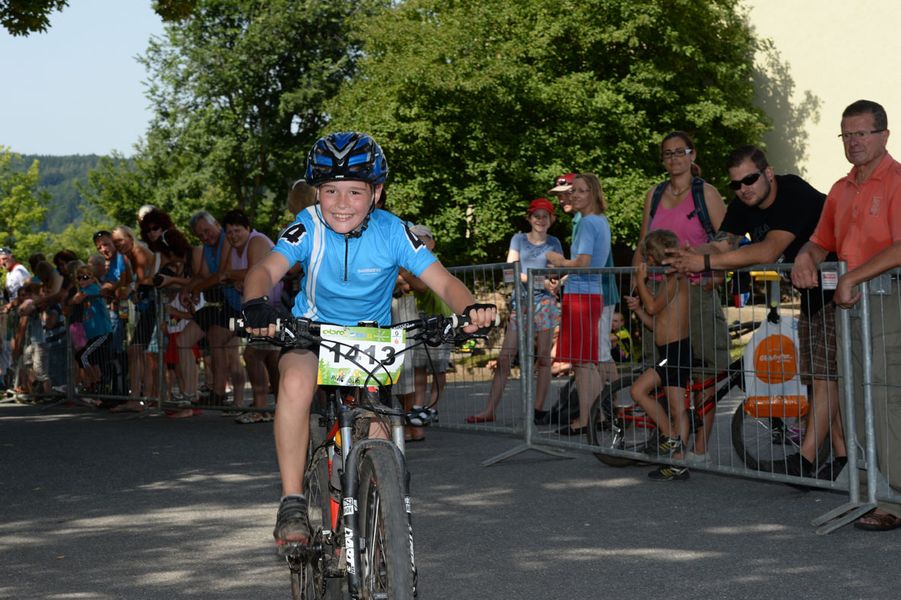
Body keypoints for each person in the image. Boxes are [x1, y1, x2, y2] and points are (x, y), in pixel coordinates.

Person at [240, 131, 496, 553]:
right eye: (330, 191)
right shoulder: (308, 225)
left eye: (355, 192)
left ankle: (371, 530)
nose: (341, 203)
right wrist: (255, 305)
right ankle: (292, 501)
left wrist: (472, 310)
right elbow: (266, 269)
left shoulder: (394, 231)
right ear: (317, 193)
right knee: (295, 382)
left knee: (378, 432)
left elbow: (444, 281)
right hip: (312, 333)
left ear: (376, 193)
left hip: (369, 342)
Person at [666, 144, 846, 476]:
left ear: (768, 173)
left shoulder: (793, 192)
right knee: (819, 378)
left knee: (825, 377)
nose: (743, 189)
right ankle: (842, 457)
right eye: (735, 184)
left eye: (750, 179)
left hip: (843, 287)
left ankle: (806, 460)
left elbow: (768, 250)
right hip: (812, 293)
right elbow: (723, 242)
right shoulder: (742, 204)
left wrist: (705, 262)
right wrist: (691, 254)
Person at [792, 99, 901, 532]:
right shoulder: (840, 188)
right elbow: (821, 241)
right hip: (851, 304)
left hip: (887, 301)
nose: (853, 141)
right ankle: (868, 492)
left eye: (862, 133)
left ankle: (894, 499)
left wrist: (853, 277)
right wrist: (805, 256)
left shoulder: (896, 181)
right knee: (854, 398)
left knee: (884, 399)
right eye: (847, 134)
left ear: (884, 136)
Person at [633, 131, 730, 457]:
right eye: (668, 153)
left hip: (696, 292)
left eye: (680, 152)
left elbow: (727, 239)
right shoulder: (655, 194)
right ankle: (674, 441)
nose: (674, 158)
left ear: (692, 154)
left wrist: (713, 270)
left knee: (703, 371)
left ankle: (699, 450)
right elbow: (643, 242)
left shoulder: (706, 193)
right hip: (658, 290)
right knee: (665, 369)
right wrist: (635, 281)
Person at [466, 198, 563, 425]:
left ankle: (537, 410)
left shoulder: (554, 242)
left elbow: (556, 272)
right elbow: (511, 271)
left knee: (544, 358)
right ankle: (489, 409)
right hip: (522, 303)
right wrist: (539, 281)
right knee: (505, 357)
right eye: (536, 216)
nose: (540, 220)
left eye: (545, 216)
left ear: (551, 219)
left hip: (545, 303)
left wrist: (556, 281)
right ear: (529, 218)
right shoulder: (518, 239)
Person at [545, 172, 611, 435]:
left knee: (583, 363)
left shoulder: (587, 222)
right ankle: (598, 415)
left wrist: (557, 260)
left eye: (582, 190)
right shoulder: (600, 221)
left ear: (594, 193)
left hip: (582, 296)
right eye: (574, 191)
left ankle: (586, 419)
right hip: (591, 294)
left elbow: (583, 263)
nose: (575, 195)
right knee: (587, 362)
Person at [626, 229, 692, 480]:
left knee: (656, 399)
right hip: (669, 350)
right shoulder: (670, 279)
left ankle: (673, 444)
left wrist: (640, 281)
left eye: (648, 258)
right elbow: (656, 323)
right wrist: (638, 310)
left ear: (654, 257)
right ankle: (675, 453)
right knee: (669, 405)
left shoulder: (675, 278)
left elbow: (654, 307)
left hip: (675, 351)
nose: (646, 262)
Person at [222, 208, 279, 424]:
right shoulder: (236, 248)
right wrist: (237, 280)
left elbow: (254, 271)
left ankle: (261, 407)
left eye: (237, 230)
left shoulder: (257, 241)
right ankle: (276, 408)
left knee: (252, 355)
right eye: (229, 232)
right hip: (262, 308)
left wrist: (233, 276)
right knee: (271, 359)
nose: (233, 236)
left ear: (248, 229)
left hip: (270, 308)